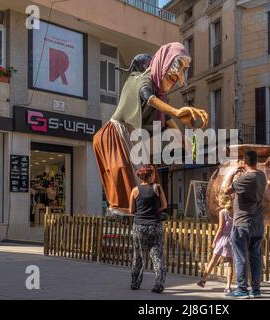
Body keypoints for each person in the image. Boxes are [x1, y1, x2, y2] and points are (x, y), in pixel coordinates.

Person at [93, 42, 208, 216]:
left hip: (134, 136)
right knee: (124, 171)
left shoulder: (162, 96)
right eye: (172, 75)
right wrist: (177, 111)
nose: (175, 80)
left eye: (176, 77)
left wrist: (187, 144)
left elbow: (168, 121)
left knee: (147, 173)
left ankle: (150, 211)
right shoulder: (140, 79)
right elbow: (148, 97)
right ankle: (124, 211)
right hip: (117, 133)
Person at [223, 150, 267, 299]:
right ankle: (256, 290)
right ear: (256, 161)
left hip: (242, 223)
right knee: (255, 257)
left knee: (240, 257)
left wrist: (232, 173)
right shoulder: (262, 176)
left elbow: (225, 190)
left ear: (244, 161)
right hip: (258, 224)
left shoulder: (245, 179)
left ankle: (242, 289)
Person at [129, 165, 167, 293]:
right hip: (154, 225)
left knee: (138, 256)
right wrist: (155, 211)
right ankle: (158, 285)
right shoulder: (157, 187)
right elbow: (164, 205)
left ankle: (135, 283)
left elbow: (131, 210)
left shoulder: (134, 190)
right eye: (153, 174)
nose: (155, 176)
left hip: (139, 225)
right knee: (157, 255)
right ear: (150, 175)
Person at [197, 194, 234, 293]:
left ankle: (203, 280)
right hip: (233, 240)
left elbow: (221, 228)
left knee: (213, 260)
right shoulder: (235, 211)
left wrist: (215, 240)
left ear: (222, 202)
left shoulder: (223, 212)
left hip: (223, 240)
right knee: (230, 263)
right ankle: (228, 286)